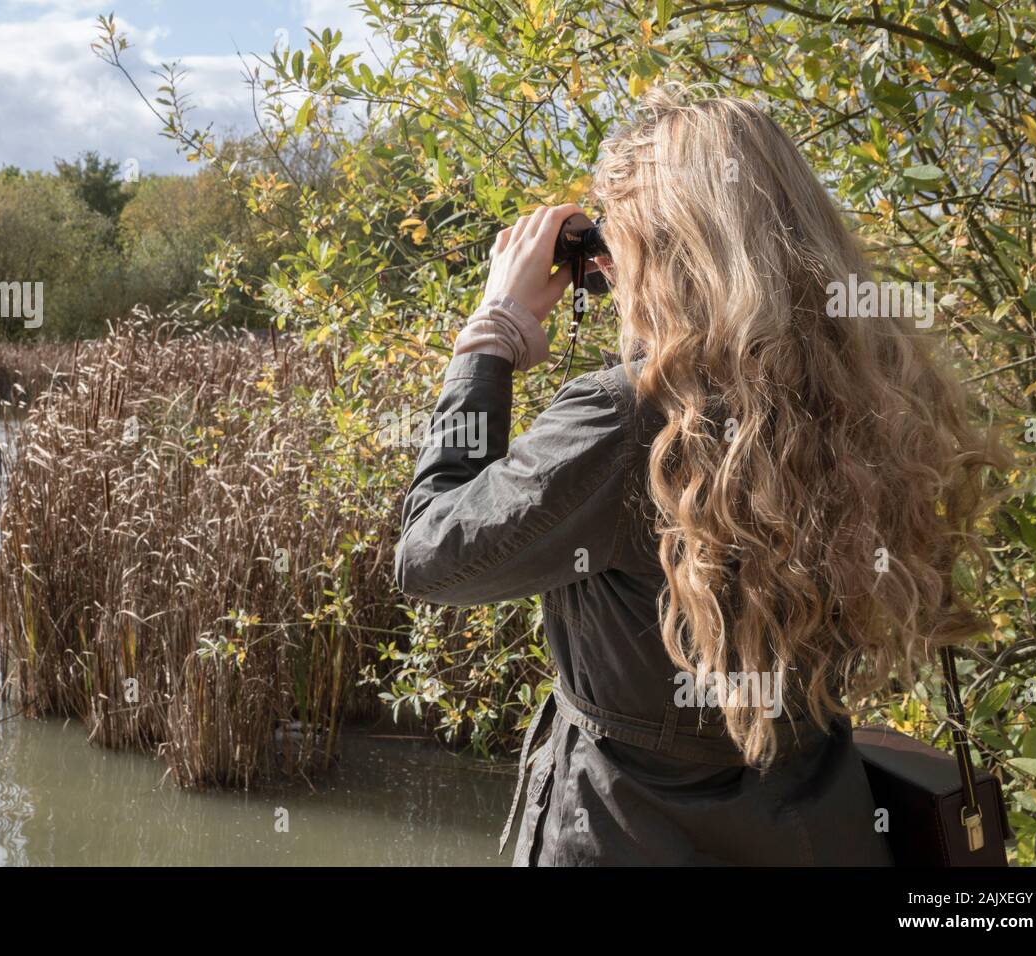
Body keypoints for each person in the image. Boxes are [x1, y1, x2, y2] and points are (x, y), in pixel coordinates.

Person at [394, 84, 1004, 866]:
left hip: (624, 835)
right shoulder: (875, 393)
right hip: (822, 830)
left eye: (616, 249)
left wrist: (492, 336)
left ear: (670, 248)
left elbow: (428, 553)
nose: (609, 277)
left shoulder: (629, 420)